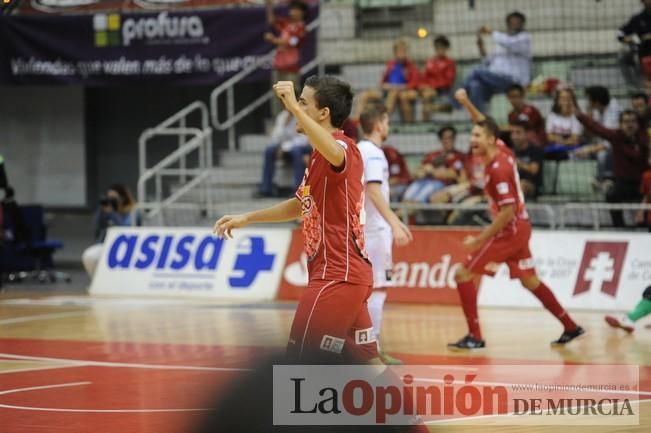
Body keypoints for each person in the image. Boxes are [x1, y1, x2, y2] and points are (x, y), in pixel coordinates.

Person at [214, 76, 379, 364]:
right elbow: (300, 205)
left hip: (336, 275)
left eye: (304, 102)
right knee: (367, 364)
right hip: (347, 275)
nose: (295, 110)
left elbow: (336, 153)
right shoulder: (317, 156)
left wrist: (291, 105)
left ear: (323, 113)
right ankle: (403, 412)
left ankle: (306, 410)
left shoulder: (343, 148)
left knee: (302, 361)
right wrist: (247, 218)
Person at [448, 118, 584, 349]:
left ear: (491, 140)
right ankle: (570, 326)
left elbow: (507, 212)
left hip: (509, 231)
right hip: (521, 227)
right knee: (530, 280)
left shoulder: (499, 170)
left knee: (463, 274)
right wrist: (466, 102)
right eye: (472, 135)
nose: (472, 140)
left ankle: (475, 337)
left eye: (477, 136)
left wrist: (479, 239)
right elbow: (486, 123)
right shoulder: (503, 150)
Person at [357, 104, 413, 365]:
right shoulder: (376, 153)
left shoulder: (358, 149)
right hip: (376, 230)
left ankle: (356, 346)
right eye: (387, 122)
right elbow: (374, 191)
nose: (388, 127)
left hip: (360, 227)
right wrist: (395, 223)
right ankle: (372, 349)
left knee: (362, 291)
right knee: (378, 288)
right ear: (379, 125)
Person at [575, 107, 650, 227]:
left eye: (632, 121)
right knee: (611, 195)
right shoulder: (616, 136)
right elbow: (598, 128)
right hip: (623, 183)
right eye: (626, 122)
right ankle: (619, 227)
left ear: (638, 124)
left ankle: (645, 226)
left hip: (642, 183)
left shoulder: (644, 138)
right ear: (620, 124)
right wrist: (581, 116)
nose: (629, 125)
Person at [462, 11, 531, 113]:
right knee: (475, 85)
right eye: (512, 22)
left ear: (522, 24)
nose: (514, 24)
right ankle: (479, 120)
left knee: (475, 70)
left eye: (517, 22)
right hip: (496, 80)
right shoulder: (501, 41)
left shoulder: (524, 37)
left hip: (513, 81)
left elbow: (509, 43)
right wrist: (481, 47)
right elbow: (488, 62)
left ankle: (457, 100)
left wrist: (491, 31)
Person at [82, 184, 141, 278]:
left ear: (122, 198)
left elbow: (126, 230)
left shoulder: (133, 211)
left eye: (114, 198)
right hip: (106, 245)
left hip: (126, 246)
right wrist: (101, 212)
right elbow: (97, 230)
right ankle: (97, 281)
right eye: (109, 198)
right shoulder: (106, 210)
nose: (111, 201)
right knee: (90, 256)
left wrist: (113, 213)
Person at [354, 39, 421, 123]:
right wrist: (385, 85)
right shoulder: (391, 64)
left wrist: (397, 87)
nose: (401, 53)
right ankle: (356, 120)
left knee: (393, 93)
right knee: (364, 95)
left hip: (399, 91)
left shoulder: (410, 66)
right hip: (387, 89)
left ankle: (383, 120)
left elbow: (414, 84)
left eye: (403, 51)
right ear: (395, 52)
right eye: (399, 51)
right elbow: (382, 82)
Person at [265, 0, 308, 116]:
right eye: (291, 9)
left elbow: (291, 43)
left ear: (302, 13)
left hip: (291, 68)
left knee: (293, 95)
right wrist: (269, 5)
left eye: (295, 10)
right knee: (278, 95)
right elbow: (272, 21)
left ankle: (296, 120)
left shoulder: (301, 29)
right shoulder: (287, 24)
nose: (292, 12)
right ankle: (280, 120)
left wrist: (273, 39)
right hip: (279, 65)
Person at [402, 126, 465, 204]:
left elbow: (455, 174)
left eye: (451, 137)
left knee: (419, 199)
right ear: (440, 139)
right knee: (408, 196)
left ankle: (402, 214)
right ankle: (401, 214)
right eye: (445, 138)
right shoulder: (432, 155)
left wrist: (432, 171)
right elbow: (418, 173)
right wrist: (423, 171)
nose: (448, 140)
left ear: (455, 138)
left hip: (441, 184)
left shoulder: (460, 156)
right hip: (423, 182)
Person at [258, 109, 310, 197]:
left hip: (300, 147)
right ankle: (266, 189)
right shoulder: (282, 116)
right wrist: (285, 124)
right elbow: (275, 136)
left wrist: (284, 147)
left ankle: (298, 189)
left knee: (296, 151)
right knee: (269, 150)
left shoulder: (302, 115)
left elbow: (302, 139)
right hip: (283, 147)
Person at [418, 35, 456, 121]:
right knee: (410, 95)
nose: (439, 50)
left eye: (442, 47)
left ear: (446, 48)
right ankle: (432, 110)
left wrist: (432, 86)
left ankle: (426, 121)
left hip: (442, 90)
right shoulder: (430, 61)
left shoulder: (450, 62)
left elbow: (448, 81)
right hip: (428, 89)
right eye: (437, 47)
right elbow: (424, 77)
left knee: (426, 95)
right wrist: (423, 85)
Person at [618, 0, 651, 85]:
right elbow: (620, 34)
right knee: (623, 56)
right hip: (644, 55)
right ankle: (632, 85)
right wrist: (636, 39)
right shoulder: (638, 18)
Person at [545, 88, 584, 156]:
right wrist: (563, 141)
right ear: (557, 100)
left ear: (572, 100)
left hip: (572, 149)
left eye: (568, 98)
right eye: (562, 98)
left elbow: (575, 139)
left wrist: (561, 141)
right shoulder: (552, 115)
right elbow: (549, 137)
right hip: (554, 148)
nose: (565, 101)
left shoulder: (576, 116)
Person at [511, 120, 544, 199]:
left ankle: (514, 209)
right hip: (514, 183)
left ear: (526, 134)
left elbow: (534, 170)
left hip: (533, 186)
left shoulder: (535, 150)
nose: (514, 136)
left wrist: (518, 163)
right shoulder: (510, 151)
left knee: (522, 184)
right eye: (512, 133)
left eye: (518, 133)